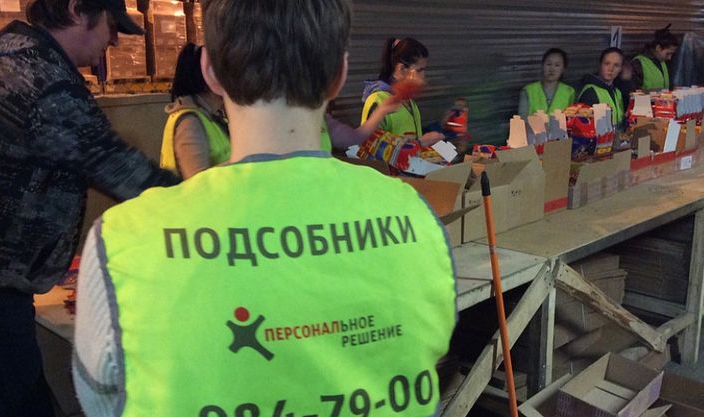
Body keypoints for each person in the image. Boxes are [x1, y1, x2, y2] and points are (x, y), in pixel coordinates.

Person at [72, 0, 457, 415]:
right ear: (338, 75)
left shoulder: (120, 242)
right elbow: (428, 358)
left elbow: (104, 402)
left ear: (211, 71)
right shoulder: (418, 219)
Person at [0, 0, 179, 414]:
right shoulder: (39, 80)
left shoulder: (9, 64)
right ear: (77, 10)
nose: (114, 41)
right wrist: (211, 200)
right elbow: (122, 171)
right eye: (111, 25)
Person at [161, 42, 230, 179]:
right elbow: (197, 180)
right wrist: (241, 164)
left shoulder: (211, 115)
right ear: (209, 75)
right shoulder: (189, 124)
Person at [362, 37, 445, 146]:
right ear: (401, 69)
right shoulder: (378, 100)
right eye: (419, 70)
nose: (423, 77)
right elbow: (370, 146)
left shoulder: (410, 103)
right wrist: (419, 143)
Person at [518, 48, 575, 116]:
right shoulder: (528, 91)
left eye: (557, 65)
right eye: (548, 64)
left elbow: (571, 118)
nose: (552, 69)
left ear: (563, 69)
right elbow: (522, 118)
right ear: (542, 65)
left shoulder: (569, 92)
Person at [578, 47, 626, 127]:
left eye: (616, 65)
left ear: (620, 69)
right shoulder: (590, 92)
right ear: (600, 65)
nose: (611, 69)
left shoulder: (618, 92)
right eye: (607, 63)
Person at [632, 25, 679, 91]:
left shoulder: (664, 63)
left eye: (672, 54)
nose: (669, 58)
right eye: (668, 53)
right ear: (658, 48)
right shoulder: (638, 63)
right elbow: (633, 91)